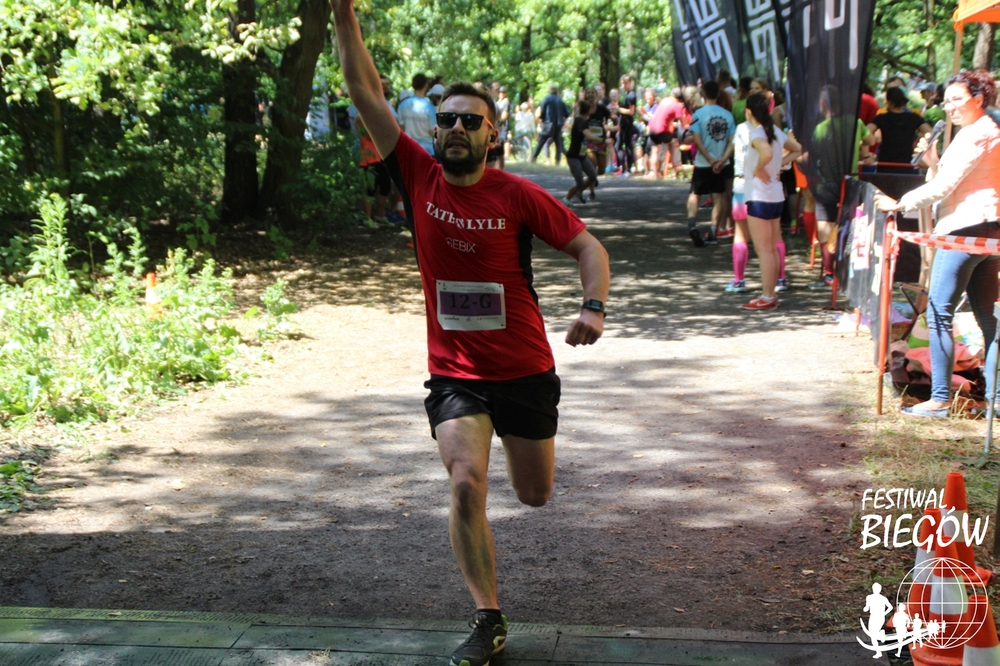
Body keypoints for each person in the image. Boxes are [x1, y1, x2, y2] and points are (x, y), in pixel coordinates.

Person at [332, 3, 611, 664]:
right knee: (464, 483)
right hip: (456, 374)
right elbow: (363, 90)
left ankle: (513, 464)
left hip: (525, 369)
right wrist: (342, 14)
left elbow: (589, 247)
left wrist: (594, 307)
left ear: (492, 134)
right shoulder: (416, 173)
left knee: (534, 494)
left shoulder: (516, 194)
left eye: (469, 121)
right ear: (434, 130)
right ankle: (488, 617)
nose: (455, 128)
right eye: (446, 119)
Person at [875, 70, 1000, 419]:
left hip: (964, 231)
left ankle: (940, 399)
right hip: (988, 232)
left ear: (978, 99)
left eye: (956, 99)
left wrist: (899, 203)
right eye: (945, 101)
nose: (949, 107)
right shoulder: (984, 131)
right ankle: (995, 400)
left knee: (939, 314)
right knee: (988, 320)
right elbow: (949, 181)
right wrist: (932, 161)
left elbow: (944, 187)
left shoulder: (978, 133)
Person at [740, 93, 802, 310]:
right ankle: (770, 294)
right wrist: (781, 163)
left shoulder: (756, 133)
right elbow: (798, 149)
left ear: (749, 111)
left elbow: (765, 151)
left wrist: (759, 168)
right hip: (776, 195)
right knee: (772, 247)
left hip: (759, 196)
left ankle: (767, 297)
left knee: (764, 249)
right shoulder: (775, 131)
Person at [686, 80, 735, 247]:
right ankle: (714, 230)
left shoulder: (698, 114)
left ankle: (692, 224)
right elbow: (732, 141)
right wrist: (722, 159)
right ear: (718, 94)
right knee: (718, 195)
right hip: (721, 163)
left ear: (703, 94)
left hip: (703, 162)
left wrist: (709, 158)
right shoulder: (728, 115)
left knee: (695, 194)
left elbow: (697, 140)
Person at [869, 86, 931, 173]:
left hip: (885, 166)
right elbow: (930, 132)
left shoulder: (881, 118)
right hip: (906, 165)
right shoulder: (913, 118)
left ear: (889, 101)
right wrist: (918, 140)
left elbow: (867, 131)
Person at [563, 100, 601, 206]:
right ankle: (567, 198)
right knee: (579, 181)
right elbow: (588, 136)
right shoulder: (580, 122)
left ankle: (579, 191)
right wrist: (602, 140)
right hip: (573, 157)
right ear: (588, 111)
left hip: (581, 156)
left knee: (592, 175)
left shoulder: (582, 120)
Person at [397, 73, 438, 154]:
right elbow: (431, 131)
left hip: (409, 148)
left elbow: (401, 128)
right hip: (427, 150)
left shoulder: (402, 105)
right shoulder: (429, 107)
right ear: (426, 85)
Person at [532, 84, 570, 164]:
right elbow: (567, 113)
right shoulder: (560, 100)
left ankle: (534, 157)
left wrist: (542, 119)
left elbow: (542, 110)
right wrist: (563, 120)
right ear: (557, 90)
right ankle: (557, 161)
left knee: (542, 141)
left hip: (548, 123)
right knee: (558, 143)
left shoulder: (546, 98)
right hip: (558, 124)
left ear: (550, 90)